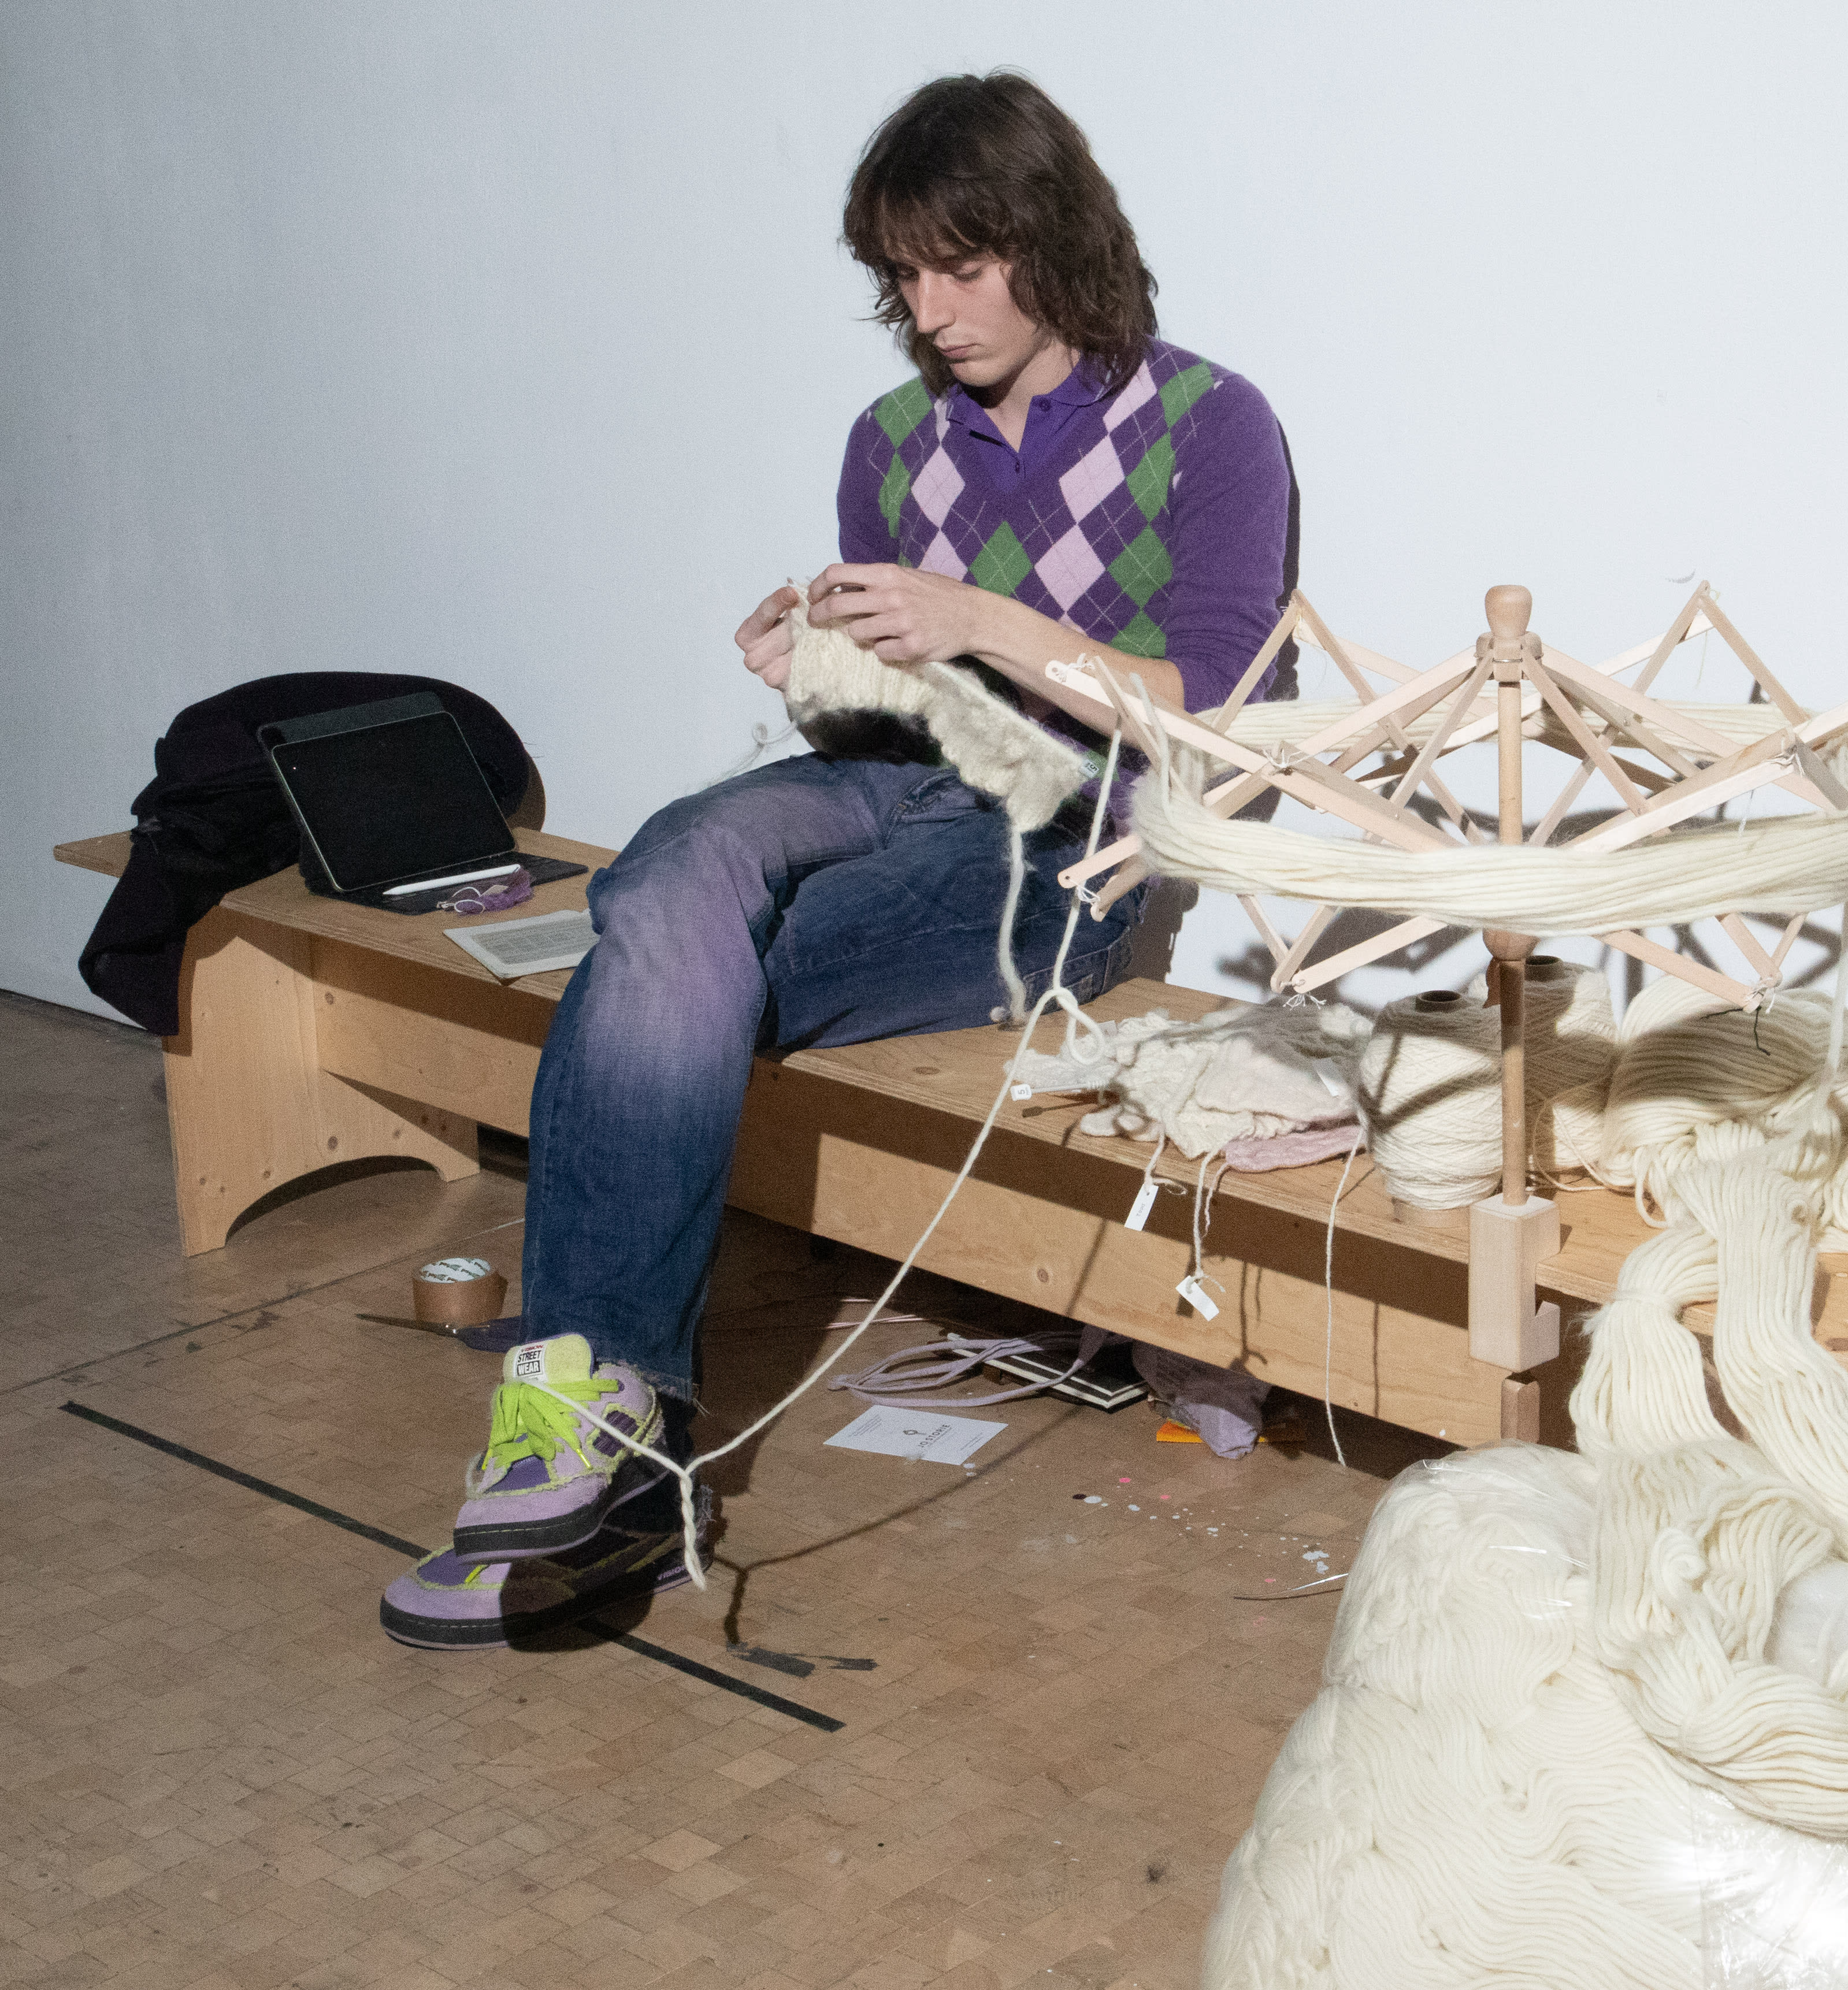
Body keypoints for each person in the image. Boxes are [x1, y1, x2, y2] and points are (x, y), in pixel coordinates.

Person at [381, 71, 1295, 1649]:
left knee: (653, 963)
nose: (929, 310)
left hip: (1059, 848)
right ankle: (611, 1421)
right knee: (668, 871)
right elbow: (894, 694)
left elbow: (1209, 714)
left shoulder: (1209, 426)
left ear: (1049, 239)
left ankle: (595, 1429)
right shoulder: (893, 441)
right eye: (901, 278)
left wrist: (984, 620)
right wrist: (808, 656)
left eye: (961, 265)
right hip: (883, 777)